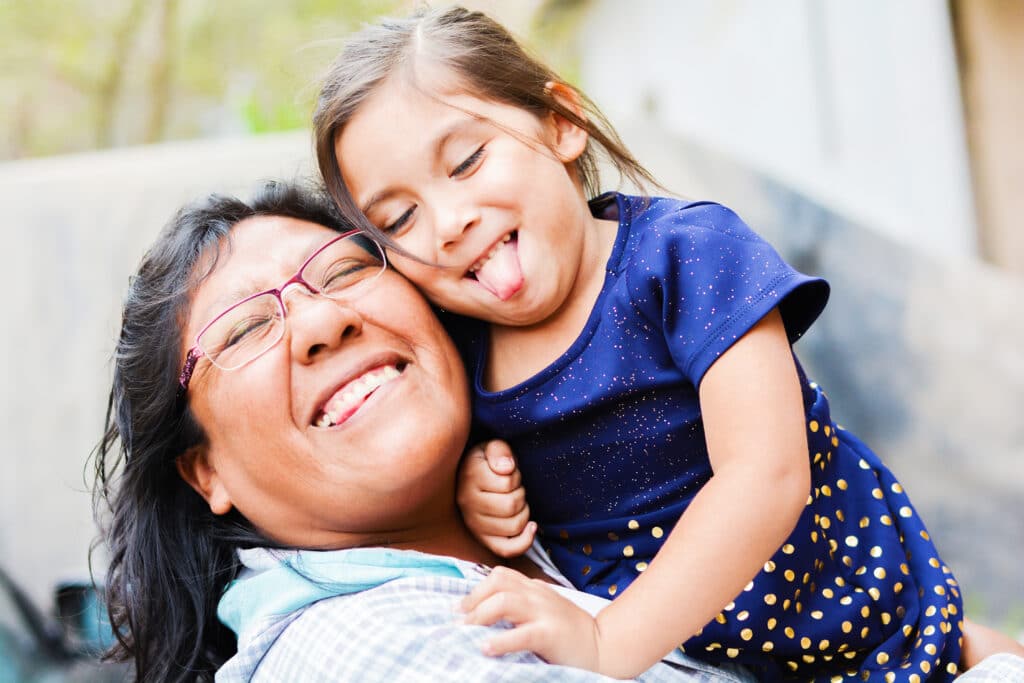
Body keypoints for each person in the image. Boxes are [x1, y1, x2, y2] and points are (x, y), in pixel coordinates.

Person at [312, 6, 1024, 681]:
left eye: (466, 162)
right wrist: (479, 481)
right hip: (695, 649)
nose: (447, 222)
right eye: (400, 218)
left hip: (834, 585)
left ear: (563, 123)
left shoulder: (683, 257)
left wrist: (610, 638)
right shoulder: (459, 344)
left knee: (962, 654)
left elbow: (768, 472)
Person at [91, 181, 761, 683]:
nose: (324, 322)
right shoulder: (364, 653)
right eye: (244, 328)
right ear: (206, 470)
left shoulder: (569, 483)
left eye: (345, 269)